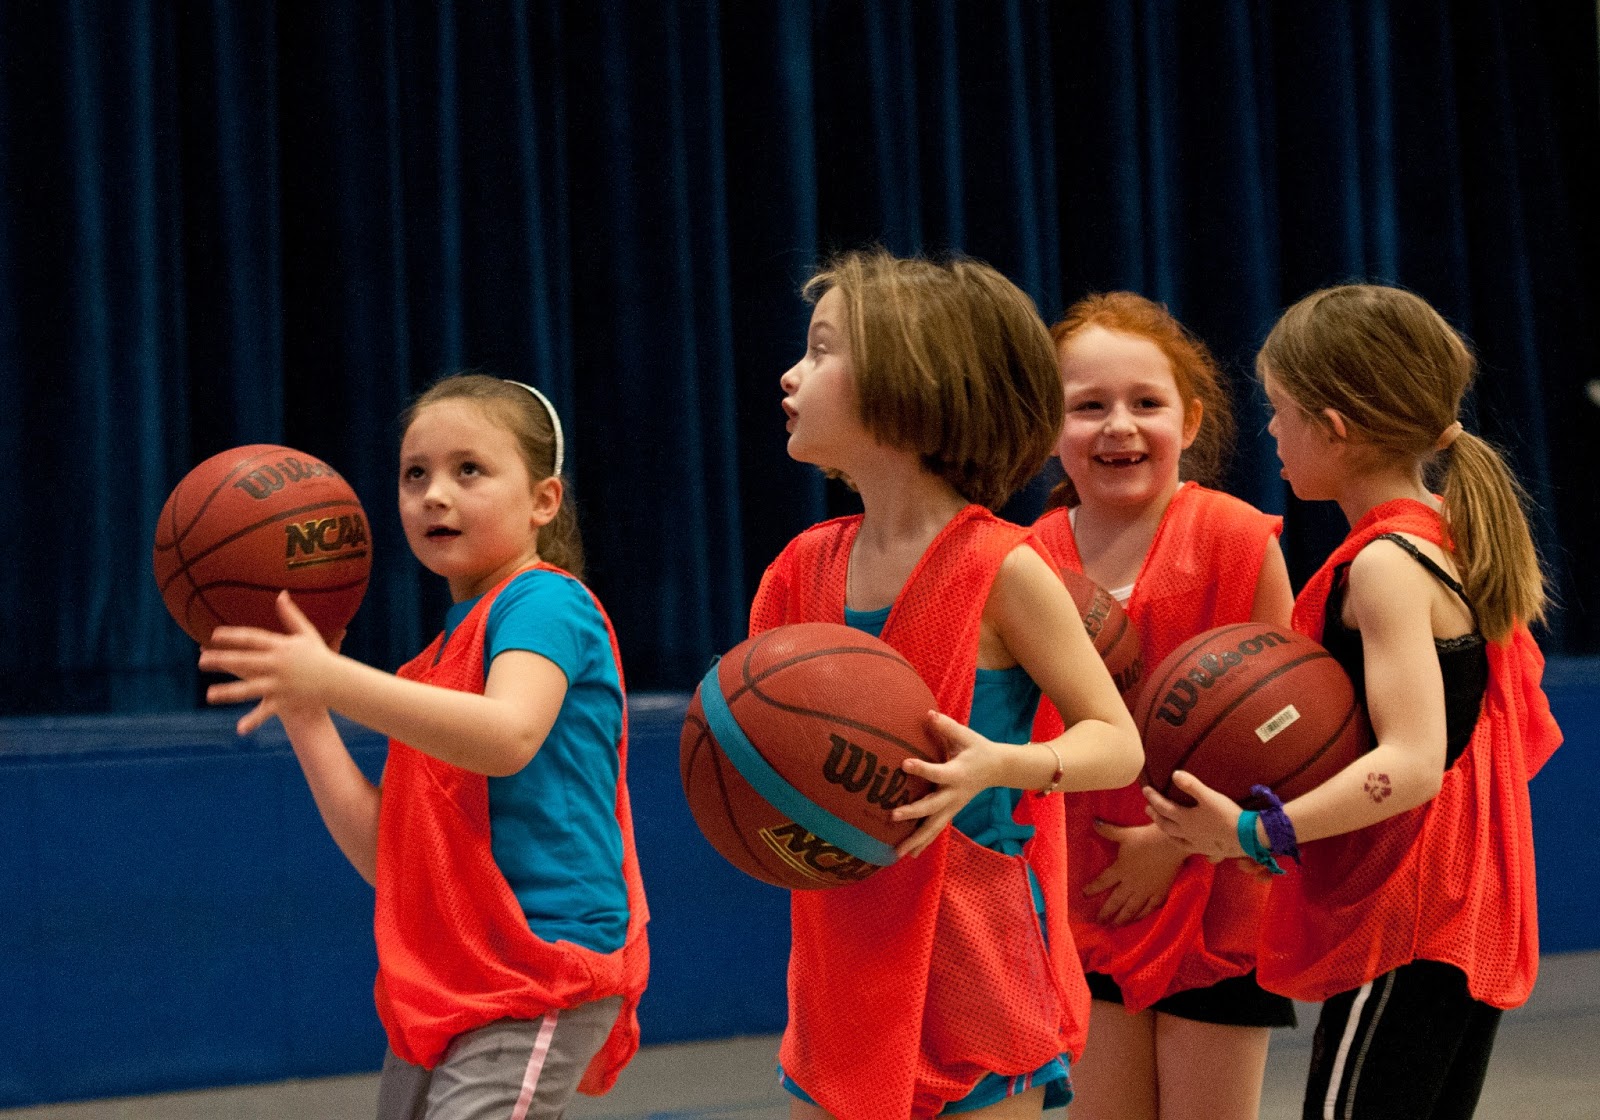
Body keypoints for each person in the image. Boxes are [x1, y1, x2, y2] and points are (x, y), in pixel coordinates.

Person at [1143, 284, 1562, 1120]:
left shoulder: (1386, 566)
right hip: (1457, 912)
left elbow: (1411, 766)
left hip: (1410, 921)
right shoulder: (1449, 530)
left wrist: (1252, 832)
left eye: (1280, 410)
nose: (1271, 431)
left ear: (1333, 426)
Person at [752, 249, 1143, 1120]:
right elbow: (760, 758)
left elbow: (1116, 745)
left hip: (978, 959)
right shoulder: (798, 571)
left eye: (821, 351)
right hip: (839, 957)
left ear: (911, 379)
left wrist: (998, 764)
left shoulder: (1002, 568)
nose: (792, 373)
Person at [199, 374, 650, 1120]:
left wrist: (336, 678)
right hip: (450, 974)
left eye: (468, 469)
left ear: (544, 500)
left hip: (539, 965)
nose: (434, 493)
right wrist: (308, 714)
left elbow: (508, 735)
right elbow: (389, 857)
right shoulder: (430, 667)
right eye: (416, 474)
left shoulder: (546, 602)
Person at [1031, 293, 1296, 1120]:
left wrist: (1176, 842)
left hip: (1213, 887)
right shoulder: (1024, 558)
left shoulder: (1235, 536)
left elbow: (1283, 728)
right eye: (1089, 407)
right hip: (1080, 890)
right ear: (1048, 427)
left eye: (1147, 403)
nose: (1120, 426)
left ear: (1191, 419)